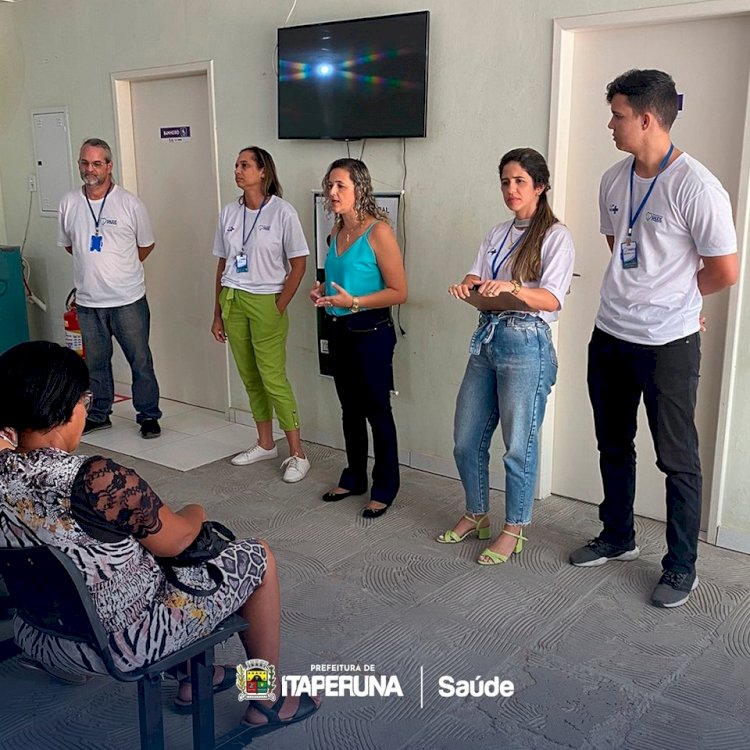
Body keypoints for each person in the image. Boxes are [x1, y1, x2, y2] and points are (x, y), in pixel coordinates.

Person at [0, 341, 320, 732]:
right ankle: (264, 699)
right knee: (257, 556)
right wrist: (196, 510)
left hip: (40, 634)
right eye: (84, 399)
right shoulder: (97, 480)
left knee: (150, 561)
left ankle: (193, 678)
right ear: (67, 408)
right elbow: (180, 539)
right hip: (122, 645)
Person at [569, 69, 739, 608]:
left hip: (669, 344)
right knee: (614, 444)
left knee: (677, 458)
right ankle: (617, 536)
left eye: (617, 115)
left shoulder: (697, 186)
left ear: (646, 119)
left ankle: (680, 566)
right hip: (611, 334)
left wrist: (682, 302)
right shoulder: (613, 180)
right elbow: (615, 241)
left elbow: (725, 270)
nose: (610, 125)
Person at [440, 148, 575, 564]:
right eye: (505, 181)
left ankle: (514, 527)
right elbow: (476, 276)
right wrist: (468, 288)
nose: (511, 189)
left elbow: (551, 298)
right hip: (488, 337)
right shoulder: (497, 233)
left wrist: (512, 289)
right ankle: (477, 514)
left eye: (519, 181)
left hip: (526, 342)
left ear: (540, 186)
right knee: (466, 439)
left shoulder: (556, 236)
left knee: (518, 444)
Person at [311, 158, 408, 518]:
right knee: (349, 410)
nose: (333, 193)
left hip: (371, 331)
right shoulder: (335, 231)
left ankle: (385, 486)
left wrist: (353, 301)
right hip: (338, 329)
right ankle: (354, 477)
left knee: (377, 412)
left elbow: (399, 291)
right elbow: (340, 277)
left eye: (341, 186)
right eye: (329, 185)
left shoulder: (378, 231)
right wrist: (320, 291)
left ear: (360, 189)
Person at [212, 147, 311, 483]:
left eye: (245, 165)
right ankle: (265, 442)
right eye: (236, 164)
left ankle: (297, 453)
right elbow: (223, 264)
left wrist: (280, 304)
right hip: (234, 299)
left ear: (263, 171)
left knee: (273, 377)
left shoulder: (283, 212)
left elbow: (299, 263)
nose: (238, 171)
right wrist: (217, 313)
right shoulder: (228, 213)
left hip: (267, 300)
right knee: (249, 376)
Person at [58, 137, 162, 439]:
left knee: (140, 360)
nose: (90, 169)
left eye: (96, 163)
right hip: (89, 302)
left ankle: (148, 416)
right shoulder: (69, 203)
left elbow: (146, 246)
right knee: (95, 364)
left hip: (128, 300)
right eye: (84, 163)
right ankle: (100, 414)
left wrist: (120, 270)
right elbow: (70, 245)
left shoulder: (129, 203)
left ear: (109, 166)